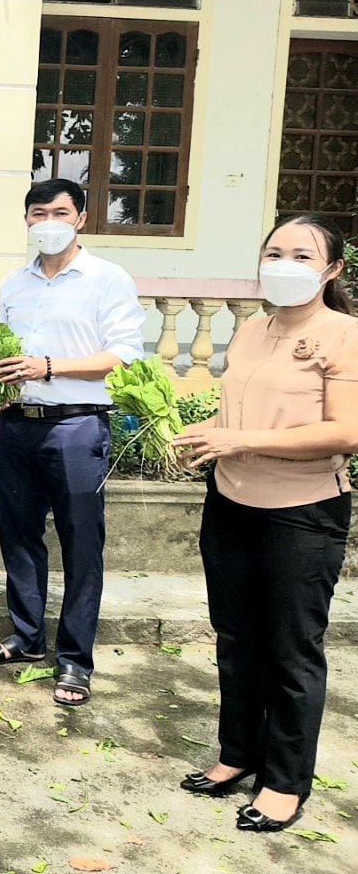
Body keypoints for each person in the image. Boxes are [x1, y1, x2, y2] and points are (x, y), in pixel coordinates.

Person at [174, 214, 358, 834]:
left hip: (302, 515)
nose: (284, 263)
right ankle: (237, 755)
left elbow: (346, 434)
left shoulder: (345, 334)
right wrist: (205, 441)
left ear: (331, 270)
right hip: (230, 502)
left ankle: (285, 781)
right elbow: (239, 413)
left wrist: (241, 439)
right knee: (236, 640)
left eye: (302, 256)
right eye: (274, 251)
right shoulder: (251, 330)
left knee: (290, 651)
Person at [0, 178, 145, 707]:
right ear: (26, 220)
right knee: (18, 536)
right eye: (38, 212)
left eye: (60, 212)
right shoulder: (13, 284)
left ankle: (74, 661)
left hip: (78, 426)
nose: (49, 221)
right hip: (17, 425)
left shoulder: (107, 280)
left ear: (81, 219)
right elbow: (0, 348)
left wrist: (50, 367)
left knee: (81, 546)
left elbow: (124, 354)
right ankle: (25, 639)